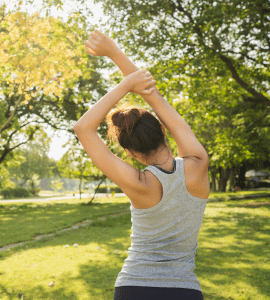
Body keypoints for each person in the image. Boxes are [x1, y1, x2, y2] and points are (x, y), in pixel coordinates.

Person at [74, 30, 210, 300]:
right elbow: (154, 97)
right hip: (184, 291)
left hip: (134, 287)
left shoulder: (139, 184)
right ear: (162, 128)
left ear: (131, 153)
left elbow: (83, 128)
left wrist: (124, 86)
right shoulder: (198, 165)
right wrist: (115, 53)